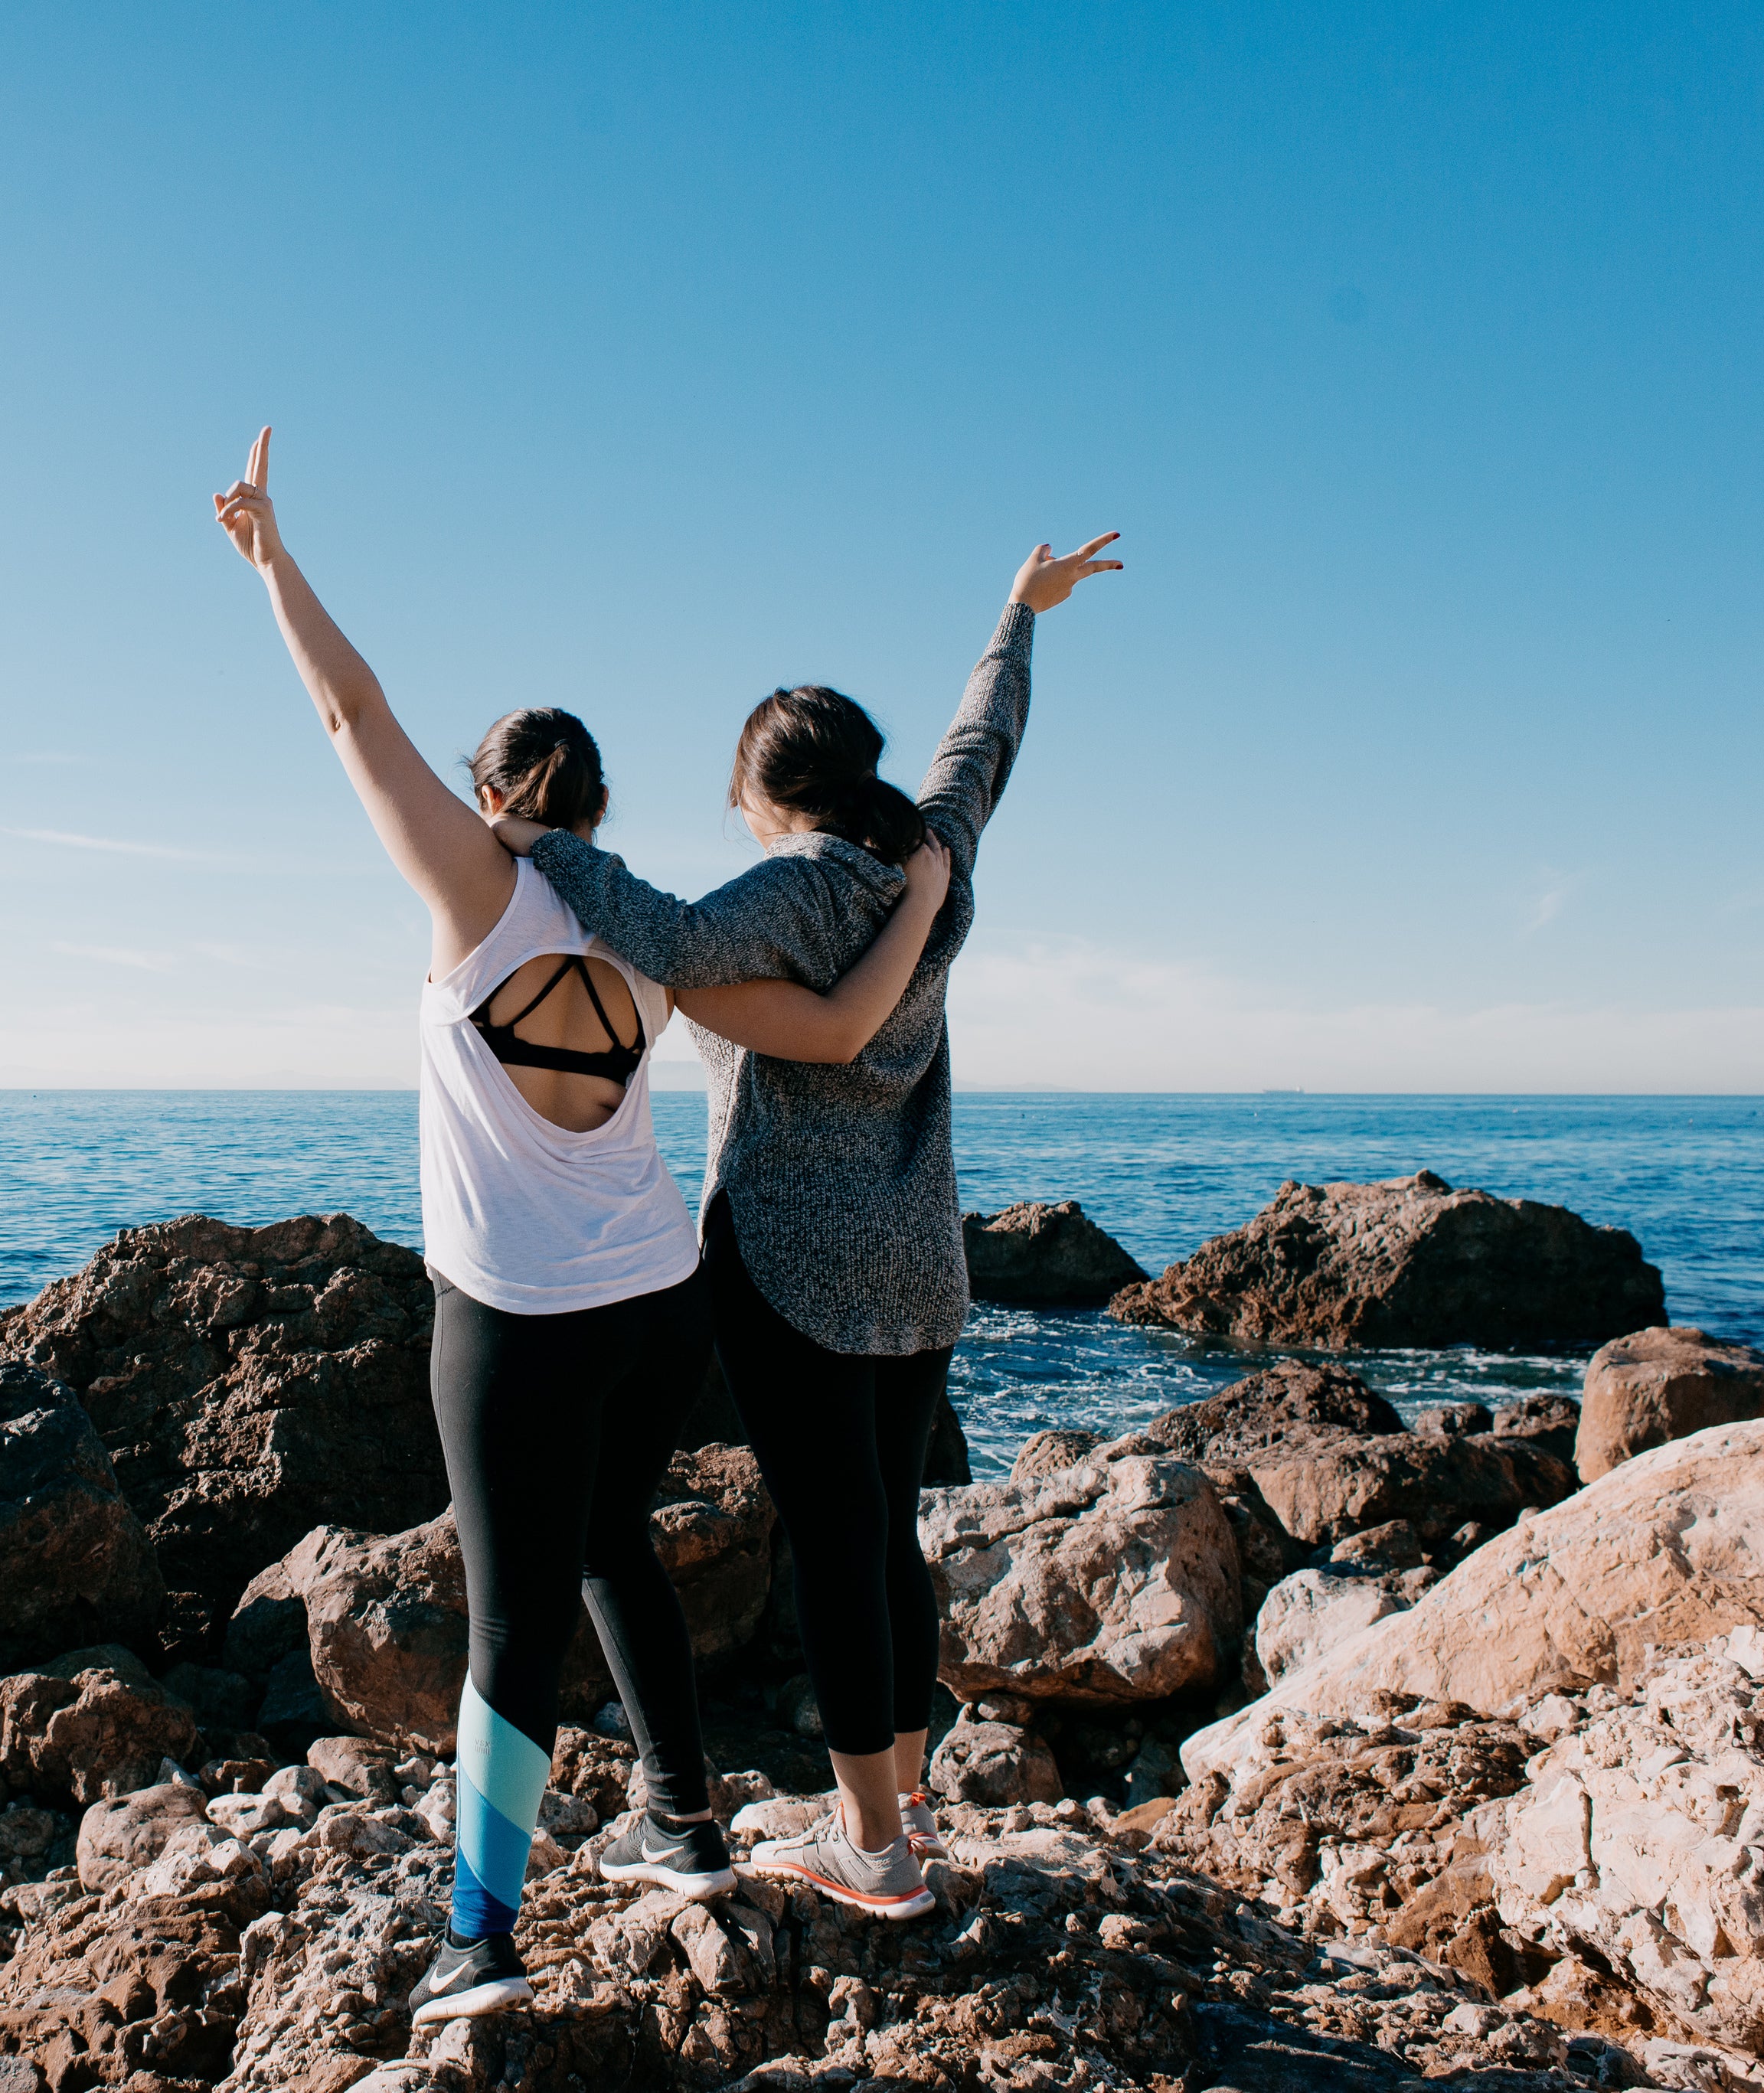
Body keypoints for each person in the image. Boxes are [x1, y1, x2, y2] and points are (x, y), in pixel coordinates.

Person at [211, 429, 953, 2020]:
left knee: (510, 1616)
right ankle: (680, 1819)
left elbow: (351, 714)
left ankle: (477, 1935)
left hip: (520, 1316)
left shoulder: (478, 891)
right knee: (614, 1542)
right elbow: (823, 1022)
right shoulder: (649, 928)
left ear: (491, 798)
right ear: (604, 798)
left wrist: (273, 559)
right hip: (661, 1303)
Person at [486, 533, 1122, 1920]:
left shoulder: (794, 886)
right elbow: (982, 743)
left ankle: (876, 1850)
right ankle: (897, 1801)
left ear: (762, 791)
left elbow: (658, 934)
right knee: (884, 1530)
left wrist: (538, 846)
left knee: (831, 1544)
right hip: (920, 1254)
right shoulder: (931, 852)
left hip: (787, 1260)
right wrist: (1017, 610)